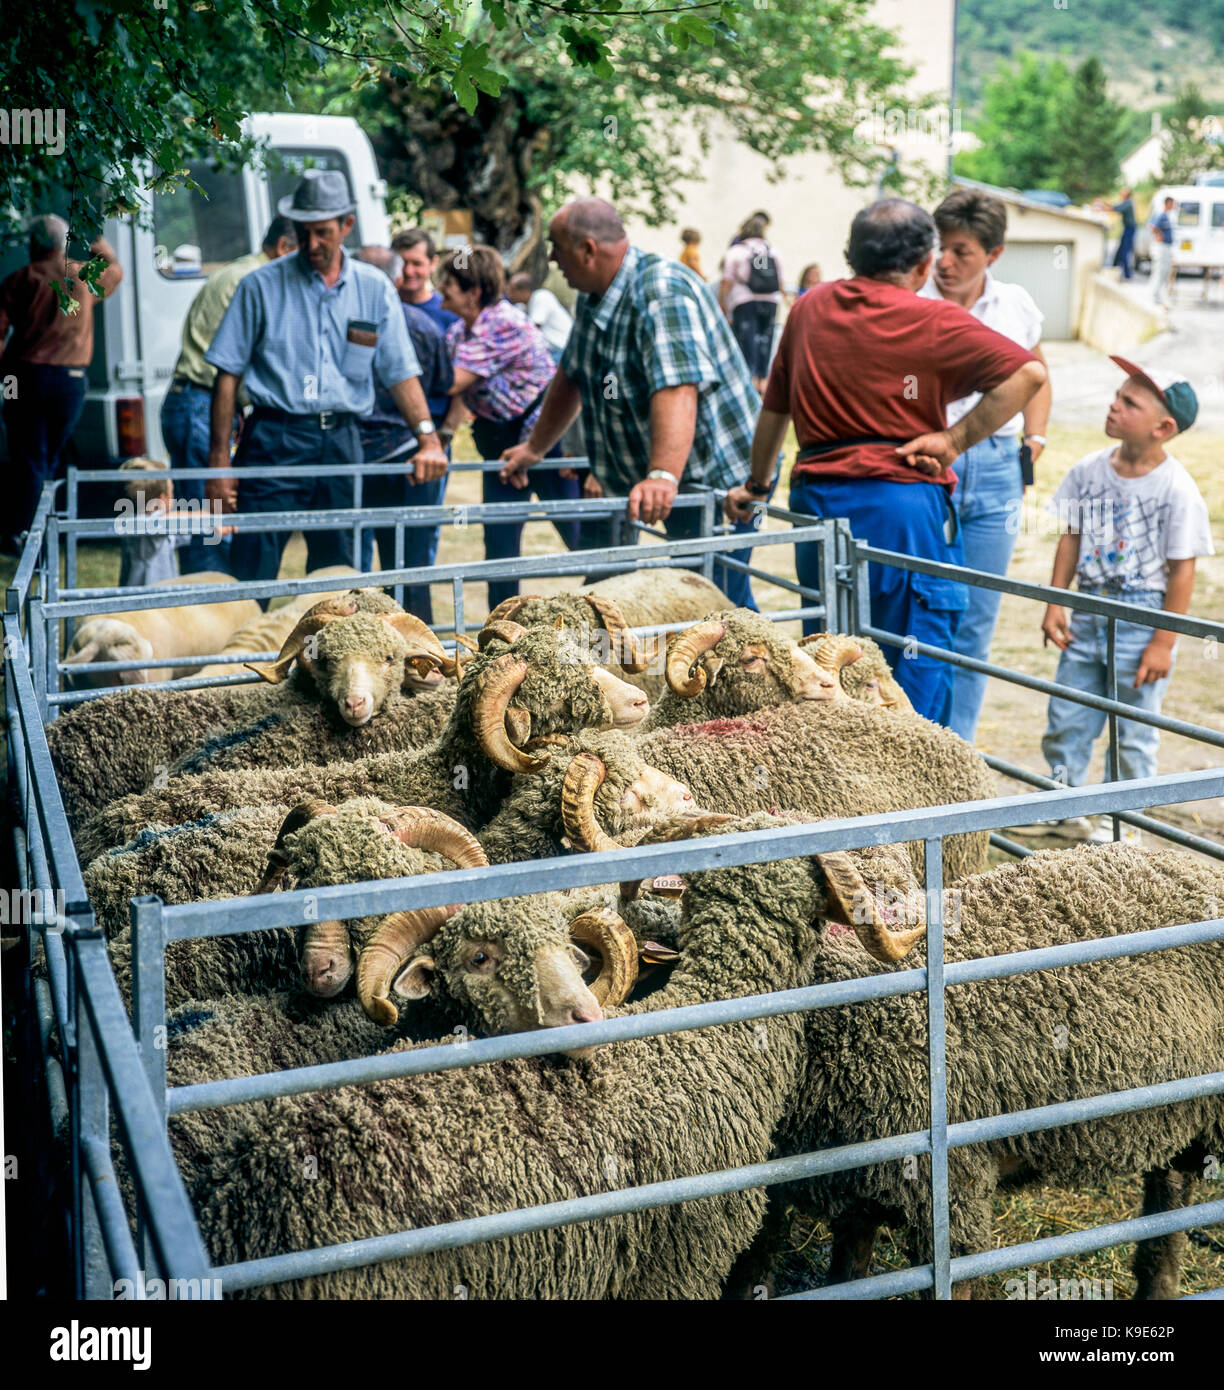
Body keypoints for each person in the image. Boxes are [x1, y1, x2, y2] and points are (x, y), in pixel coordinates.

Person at [725, 199, 1046, 722]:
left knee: (832, 663)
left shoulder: (809, 306)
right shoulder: (936, 318)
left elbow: (775, 408)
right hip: (902, 511)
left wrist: (757, 487)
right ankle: (919, 797)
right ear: (923, 266)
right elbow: (1027, 375)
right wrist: (953, 441)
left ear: (851, 255)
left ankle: (843, 796)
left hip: (819, 510)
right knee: (909, 668)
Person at [499, 197, 766, 611]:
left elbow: (677, 388)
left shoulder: (662, 291)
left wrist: (662, 475)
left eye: (556, 246)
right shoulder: (594, 295)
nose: (552, 258)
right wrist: (535, 448)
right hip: (647, 477)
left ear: (588, 250)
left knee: (716, 602)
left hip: (714, 475)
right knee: (617, 593)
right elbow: (572, 375)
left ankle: (773, 673)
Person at [203, 171, 446, 588]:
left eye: (322, 233)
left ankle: (326, 652)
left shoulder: (374, 288)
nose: (311, 244)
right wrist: (219, 463)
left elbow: (399, 371)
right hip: (274, 439)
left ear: (346, 226)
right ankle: (242, 651)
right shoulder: (259, 286)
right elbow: (227, 375)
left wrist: (428, 438)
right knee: (254, 567)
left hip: (343, 442)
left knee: (339, 573)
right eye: (303, 232)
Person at [1011, 361, 1211, 843]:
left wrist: (1162, 642)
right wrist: (1055, 602)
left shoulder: (1177, 490)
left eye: (1129, 403)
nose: (1113, 405)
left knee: (1133, 726)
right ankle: (1064, 803)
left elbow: (1182, 569)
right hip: (1087, 608)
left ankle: (1123, 819)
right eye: (1117, 396)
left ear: (1164, 428)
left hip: (1142, 616)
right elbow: (1071, 538)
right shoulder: (1089, 471)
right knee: (1069, 714)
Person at [920, 187, 1052, 743]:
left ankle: (960, 751)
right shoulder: (914, 298)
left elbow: (1039, 370)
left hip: (997, 467)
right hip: (926, 463)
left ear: (993, 256)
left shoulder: (1016, 304)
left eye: (961, 251)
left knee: (976, 616)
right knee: (924, 609)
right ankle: (915, 744)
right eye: (939, 248)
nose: (945, 262)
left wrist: (1034, 440)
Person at [437, 244, 578, 609]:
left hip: (545, 444)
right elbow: (463, 395)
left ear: (474, 292)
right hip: (500, 448)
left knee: (579, 538)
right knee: (499, 552)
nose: (441, 288)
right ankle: (502, 638)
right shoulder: (460, 332)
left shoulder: (502, 323)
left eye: (448, 282)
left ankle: (621, 619)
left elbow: (451, 382)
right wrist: (443, 436)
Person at [160, 216, 298, 573]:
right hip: (201, 402)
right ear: (283, 247)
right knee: (205, 518)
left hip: (196, 402)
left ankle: (212, 600)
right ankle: (206, 607)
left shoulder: (240, 271)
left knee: (208, 514)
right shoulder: (252, 281)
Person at [0, 215, 123, 554]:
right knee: (51, 456)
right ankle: (49, 532)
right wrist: (104, 250)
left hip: (22, 379)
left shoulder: (20, 279)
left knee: (27, 455)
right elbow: (115, 273)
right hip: (71, 382)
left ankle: (26, 534)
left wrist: (6, 384)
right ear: (61, 243)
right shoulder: (82, 276)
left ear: (35, 245)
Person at [353, 246, 454, 621]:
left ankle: (366, 637)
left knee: (357, 561)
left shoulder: (346, 325)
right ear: (396, 279)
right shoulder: (426, 326)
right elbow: (445, 384)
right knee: (414, 562)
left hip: (360, 455)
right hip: (413, 456)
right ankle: (418, 646)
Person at [719, 213, 784, 392]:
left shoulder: (736, 251)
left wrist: (722, 302)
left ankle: (748, 382)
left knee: (747, 340)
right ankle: (762, 382)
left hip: (744, 300)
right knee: (766, 341)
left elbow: (727, 280)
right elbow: (780, 280)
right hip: (770, 300)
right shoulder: (772, 250)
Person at [391, 228, 460, 334]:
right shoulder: (385, 306)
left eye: (417, 264)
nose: (408, 271)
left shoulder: (449, 312)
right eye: (402, 263)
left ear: (433, 263)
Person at [506, 271, 573, 364]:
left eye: (512, 290)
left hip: (561, 350)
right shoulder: (522, 306)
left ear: (524, 291)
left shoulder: (541, 297)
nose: (509, 294)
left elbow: (532, 330)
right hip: (549, 351)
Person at [1096, 187, 1137, 280]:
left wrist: (1102, 208)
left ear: (1127, 194)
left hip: (1130, 229)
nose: (1121, 195)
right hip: (1127, 229)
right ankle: (1114, 269)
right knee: (1119, 251)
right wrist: (1104, 204)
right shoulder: (1126, 203)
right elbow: (1114, 206)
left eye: (1123, 193)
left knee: (1124, 252)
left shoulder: (1128, 203)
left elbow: (1115, 209)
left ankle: (1127, 275)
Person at [1149, 196, 1176, 308]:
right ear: (1167, 203)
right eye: (1172, 203)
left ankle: (1159, 295)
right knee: (1160, 271)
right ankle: (1154, 295)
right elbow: (1152, 226)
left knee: (1165, 272)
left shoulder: (1168, 216)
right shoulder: (1161, 215)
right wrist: (1158, 235)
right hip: (1161, 247)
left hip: (1167, 247)